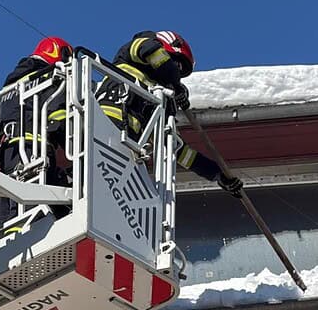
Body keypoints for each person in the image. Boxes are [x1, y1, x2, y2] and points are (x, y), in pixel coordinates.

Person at [96, 30, 243, 196]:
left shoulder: (157, 99)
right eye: (176, 63)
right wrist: (175, 83)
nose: (176, 70)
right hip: (104, 123)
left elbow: (177, 150)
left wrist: (217, 174)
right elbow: (150, 50)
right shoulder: (134, 51)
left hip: (125, 144)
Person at [0, 36, 73, 232]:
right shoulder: (50, 78)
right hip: (33, 150)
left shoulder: (8, 88)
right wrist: (77, 146)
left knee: (10, 205)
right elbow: (58, 116)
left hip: (5, 154)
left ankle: (4, 241)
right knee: (33, 201)